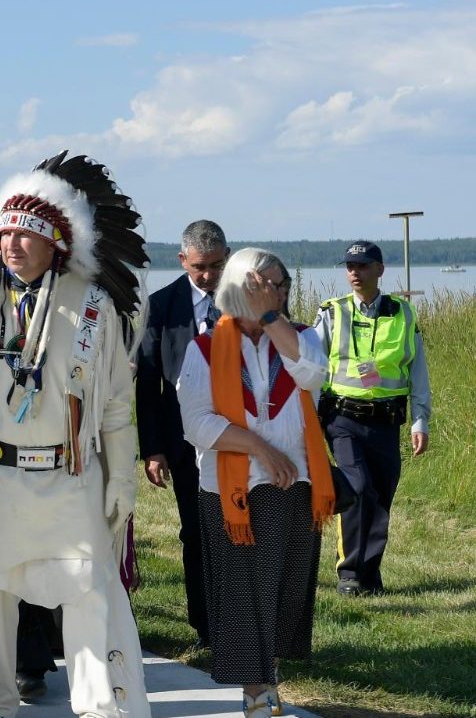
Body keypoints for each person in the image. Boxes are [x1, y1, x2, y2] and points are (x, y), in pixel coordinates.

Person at [0, 152, 151, 718]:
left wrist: (121, 477)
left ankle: (100, 708)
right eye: (5, 234)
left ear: (58, 244)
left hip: (69, 477)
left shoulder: (93, 309)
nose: (12, 245)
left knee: (88, 594)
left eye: (28, 235)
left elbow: (117, 409)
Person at [177, 248, 335, 718]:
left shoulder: (302, 337)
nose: (274, 292)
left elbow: (312, 375)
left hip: (297, 485)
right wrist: (260, 448)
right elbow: (196, 424)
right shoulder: (204, 347)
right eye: (261, 285)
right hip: (236, 491)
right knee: (246, 589)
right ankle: (257, 691)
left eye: (279, 285)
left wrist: (270, 317)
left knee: (282, 586)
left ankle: (270, 680)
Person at [313, 240, 431, 597]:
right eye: (350, 266)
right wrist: (307, 420)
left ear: (380, 269)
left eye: (363, 266)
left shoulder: (404, 313)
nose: (355, 273)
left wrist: (419, 420)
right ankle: (348, 573)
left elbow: (418, 372)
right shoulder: (333, 312)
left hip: (385, 421)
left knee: (381, 495)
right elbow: (312, 369)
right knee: (357, 487)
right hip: (342, 419)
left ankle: (370, 572)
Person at [137, 219, 230, 649]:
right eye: (199, 268)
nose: (208, 276)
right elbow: (148, 385)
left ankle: (244, 624)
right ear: (182, 261)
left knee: (238, 531)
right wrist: (153, 449)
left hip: (238, 438)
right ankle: (207, 628)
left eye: (216, 265)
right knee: (195, 532)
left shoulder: (247, 301)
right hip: (183, 443)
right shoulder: (160, 307)